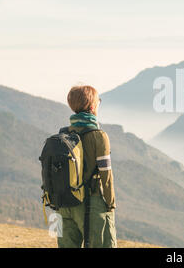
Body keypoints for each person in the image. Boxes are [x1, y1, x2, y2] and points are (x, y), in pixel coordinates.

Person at [57, 85, 117, 248]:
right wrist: (111, 204)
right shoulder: (99, 136)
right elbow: (106, 175)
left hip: (63, 204)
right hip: (92, 202)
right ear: (92, 107)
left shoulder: (63, 135)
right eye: (98, 102)